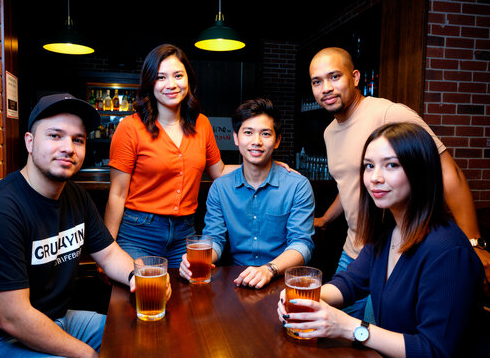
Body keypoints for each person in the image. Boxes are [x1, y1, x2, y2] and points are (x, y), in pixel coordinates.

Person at [0, 93, 172, 358]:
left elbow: (109, 253)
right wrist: (87, 354)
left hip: (58, 318)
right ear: (30, 143)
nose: (69, 148)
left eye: (77, 139)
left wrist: (139, 276)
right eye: (55, 136)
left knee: (140, 334)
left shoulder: (75, 196)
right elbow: (14, 318)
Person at [277, 123, 488, 358]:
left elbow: (434, 350)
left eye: (391, 165)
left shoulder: (448, 251)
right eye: (369, 166)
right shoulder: (388, 229)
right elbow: (351, 281)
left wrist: (348, 327)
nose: (374, 178)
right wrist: (304, 302)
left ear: (421, 172)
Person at [309, 47, 484, 320]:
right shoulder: (330, 132)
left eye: (334, 77)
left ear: (355, 78)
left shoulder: (389, 114)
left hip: (398, 253)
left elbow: (448, 173)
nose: (326, 88)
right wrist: (325, 220)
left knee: (364, 333)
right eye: (317, 81)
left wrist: (473, 243)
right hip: (357, 251)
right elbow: (349, 185)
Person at [105, 44, 291, 268]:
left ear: (189, 79)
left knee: (189, 295)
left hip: (185, 233)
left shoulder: (201, 123)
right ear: (149, 83)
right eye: (161, 77)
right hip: (140, 233)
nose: (171, 84)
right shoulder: (130, 127)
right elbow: (117, 193)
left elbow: (219, 171)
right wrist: (107, 251)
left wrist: (265, 164)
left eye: (178, 75)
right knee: (146, 295)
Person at [179, 98, 315, 289]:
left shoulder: (297, 186)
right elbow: (215, 238)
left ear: (277, 141)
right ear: (236, 138)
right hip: (235, 281)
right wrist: (198, 259)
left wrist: (269, 269)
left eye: (265, 134)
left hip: (281, 279)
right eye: (248, 133)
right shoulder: (220, 188)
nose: (256, 142)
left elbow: (302, 244)